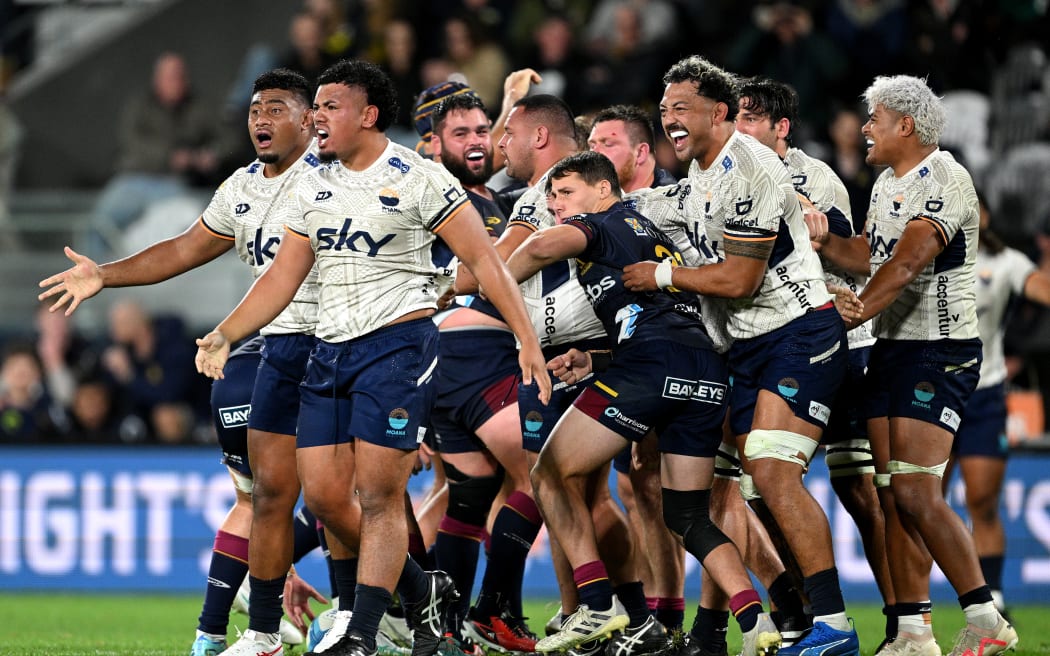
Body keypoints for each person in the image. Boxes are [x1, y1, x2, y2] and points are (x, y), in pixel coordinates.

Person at [193, 59, 550, 656]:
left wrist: (527, 340)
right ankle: (423, 594)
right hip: (327, 352)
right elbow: (286, 273)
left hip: (398, 347)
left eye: (330, 107)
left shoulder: (418, 177)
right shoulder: (310, 183)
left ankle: (359, 633)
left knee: (381, 496)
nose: (318, 118)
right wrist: (229, 331)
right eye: (318, 107)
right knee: (329, 501)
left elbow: (487, 262)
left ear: (368, 115)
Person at [38, 68, 323, 656]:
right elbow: (185, 247)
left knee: (337, 495)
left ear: (308, 117)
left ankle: (367, 613)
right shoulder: (242, 186)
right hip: (275, 351)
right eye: (253, 110)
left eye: (275, 109)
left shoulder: (338, 176)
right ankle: (214, 635)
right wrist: (106, 274)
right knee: (266, 498)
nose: (260, 120)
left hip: (344, 348)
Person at [622, 55, 858, 656]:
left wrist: (663, 274)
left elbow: (739, 281)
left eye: (683, 109)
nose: (669, 120)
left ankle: (835, 626)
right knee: (724, 489)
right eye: (665, 108)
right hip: (742, 349)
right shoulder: (701, 171)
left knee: (775, 475)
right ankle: (780, 614)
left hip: (798, 334)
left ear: (719, 112)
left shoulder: (750, 169)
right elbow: (666, 210)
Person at [509, 150, 780, 656]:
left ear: (604, 189)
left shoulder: (601, 222)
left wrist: (492, 273)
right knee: (688, 516)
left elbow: (547, 244)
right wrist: (596, 361)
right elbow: (660, 320)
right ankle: (755, 621)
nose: (555, 205)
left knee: (548, 473)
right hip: (702, 372)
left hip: (652, 367)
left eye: (565, 193)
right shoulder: (650, 234)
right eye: (550, 197)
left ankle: (596, 603)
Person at [819, 74, 1019, 656]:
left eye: (874, 119)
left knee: (914, 490)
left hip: (941, 350)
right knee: (891, 493)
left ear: (906, 125)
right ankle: (912, 631)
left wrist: (851, 316)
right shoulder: (885, 183)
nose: (865, 129)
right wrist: (823, 238)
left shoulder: (949, 179)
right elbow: (870, 255)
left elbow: (907, 262)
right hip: (892, 347)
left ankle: (985, 617)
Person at [734, 76, 897, 649]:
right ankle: (807, 610)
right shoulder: (724, 175)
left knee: (859, 489)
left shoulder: (813, 176)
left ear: (780, 128)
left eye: (750, 118)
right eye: (734, 116)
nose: (738, 127)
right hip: (768, 346)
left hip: (841, 344)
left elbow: (852, 257)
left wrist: (819, 237)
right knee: (763, 485)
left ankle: (904, 618)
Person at [419, 86, 541, 653]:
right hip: (468, 360)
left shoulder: (485, 198)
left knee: (468, 497)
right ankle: (489, 609)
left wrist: (510, 101)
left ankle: (443, 626)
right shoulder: (426, 190)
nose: (477, 141)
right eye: (460, 133)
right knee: (549, 472)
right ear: (430, 144)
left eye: (483, 130)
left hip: (460, 366)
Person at [586, 105, 685, 631]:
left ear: (642, 152)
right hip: (624, 359)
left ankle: (747, 615)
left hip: (679, 359)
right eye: (592, 142)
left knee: (706, 496)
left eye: (608, 143)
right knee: (639, 488)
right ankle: (661, 617)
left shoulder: (675, 201)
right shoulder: (600, 209)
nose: (596, 152)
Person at [946, 192, 1050, 621]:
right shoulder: (921, 252)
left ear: (985, 213)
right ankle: (912, 610)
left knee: (982, 501)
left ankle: (994, 596)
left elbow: (1040, 288)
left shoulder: (1005, 261)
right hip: (930, 390)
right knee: (918, 501)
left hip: (985, 393)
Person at [89, 52, 221, 258]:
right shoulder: (139, 105)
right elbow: (131, 142)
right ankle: (95, 276)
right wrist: (171, 157)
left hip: (176, 184)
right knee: (99, 225)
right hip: (135, 180)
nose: (175, 82)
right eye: (170, 76)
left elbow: (225, 138)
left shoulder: (198, 107)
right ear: (157, 79)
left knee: (197, 226)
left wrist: (210, 155)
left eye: (179, 76)